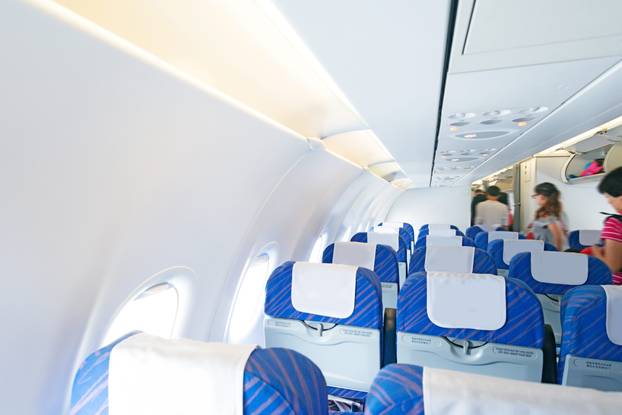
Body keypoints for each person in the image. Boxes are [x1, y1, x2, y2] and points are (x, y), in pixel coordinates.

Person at [592, 166, 622, 285]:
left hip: (616, 290)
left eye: (609, 196)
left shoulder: (615, 223)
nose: (609, 201)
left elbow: (611, 268)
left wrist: (596, 251)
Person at [528, 182, 568, 251]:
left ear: (542, 197)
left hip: (550, 252)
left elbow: (558, 237)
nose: (535, 198)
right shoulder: (559, 212)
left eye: (535, 195)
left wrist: (557, 254)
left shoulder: (547, 215)